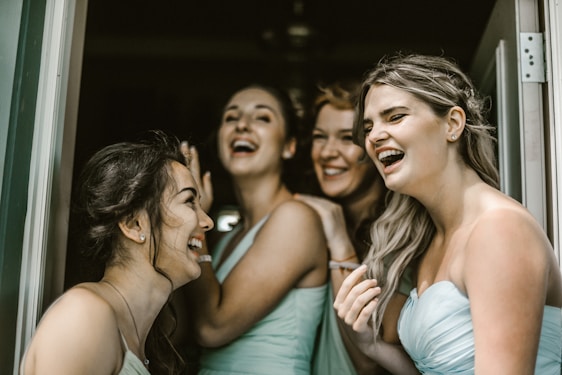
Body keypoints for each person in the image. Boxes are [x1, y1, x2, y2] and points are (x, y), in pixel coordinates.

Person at [334, 53, 562, 374]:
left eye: (395, 117)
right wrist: (371, 345)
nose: (373, 136)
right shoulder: (433, 240)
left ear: (453, 124)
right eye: (369, 126)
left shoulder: (498, 229)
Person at [20, 131, 214, 375]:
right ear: (134, 224)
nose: (208, 222)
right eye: (189, 201)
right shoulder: (84, 316)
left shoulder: (144, 341)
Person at [180, 84, 328, 375]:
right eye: (231, 118)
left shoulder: (295, 219)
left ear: (289, 146)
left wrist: (194, 221)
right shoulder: (225, 237)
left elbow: (212, 328)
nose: (242, 125)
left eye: (262, 118)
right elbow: (180, 330)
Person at [296, 81, 417, 375]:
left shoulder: (405, 236)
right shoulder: (306, 220)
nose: (327, 152)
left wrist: (340, 244)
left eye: (346, 138)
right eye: (319, 137)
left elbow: (369, 362)